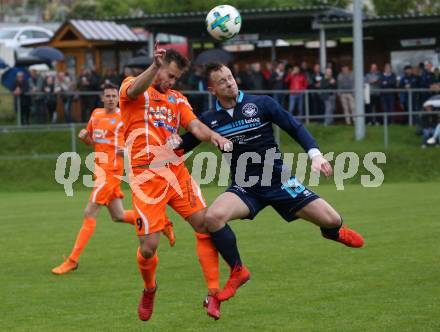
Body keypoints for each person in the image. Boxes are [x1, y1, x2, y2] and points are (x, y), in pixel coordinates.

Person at [174, 62, 364, 303]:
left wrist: (315, 155)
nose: (229, 82)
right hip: (246, 187)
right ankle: (238, 271)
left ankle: (333, 233)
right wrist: (165, 142)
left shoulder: (261, 103)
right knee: (213, 217)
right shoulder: (210, 120)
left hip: (280, 181)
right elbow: (182, 145)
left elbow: (294, 126)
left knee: (333, 220)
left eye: (230, 77)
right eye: (222, 81)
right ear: (212, 89)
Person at [118, 45, 233, 322]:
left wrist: (213, 136)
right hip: (146, 177)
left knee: (205, 225)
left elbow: (194, 126)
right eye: (169, 75)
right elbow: (134, 91)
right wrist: (155, 68)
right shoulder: (134, 88)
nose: (171, 82)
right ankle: (150, 288)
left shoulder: (177, 99)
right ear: (159, 67)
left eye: (175, 78)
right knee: (148, 247)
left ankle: (213, 293)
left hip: (175, 171)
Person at [52, 84, 140, 274]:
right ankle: (159, 221)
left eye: (113, 96)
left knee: (89, 212)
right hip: (99, 170)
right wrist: (85, 137)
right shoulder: (96, 114)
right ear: (102, 98)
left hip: (112, 172)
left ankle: (72, 260)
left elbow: (137, 141)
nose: (110, 98)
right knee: (118, 215)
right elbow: (92, 141)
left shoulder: (123, 117)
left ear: (118, 98)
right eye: (107, 95)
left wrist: (127, 150)